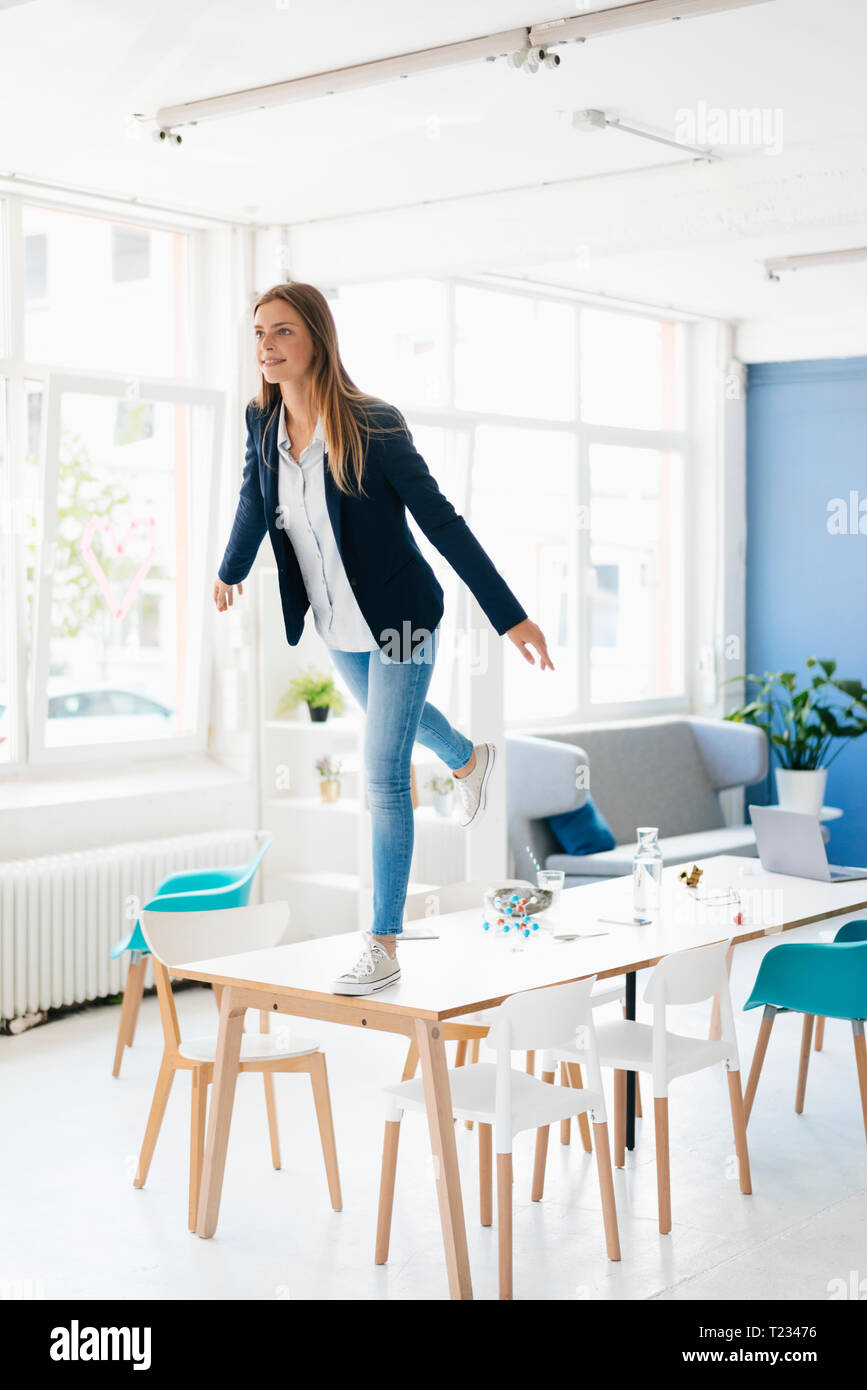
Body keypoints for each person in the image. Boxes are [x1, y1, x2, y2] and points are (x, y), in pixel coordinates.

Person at [214, 282, 554, 995]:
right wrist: (230, 570)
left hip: (401, 615)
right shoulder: (259, 421)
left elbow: (440, 520)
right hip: (336, 621)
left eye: (281, 332)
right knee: (394, 726)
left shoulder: (372, 423)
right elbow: (255, 497)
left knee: (381, 770)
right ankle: (467, 760)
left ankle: (383, 941)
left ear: (314, 338)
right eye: (258, 334)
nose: (266, 347)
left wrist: (509, 615)